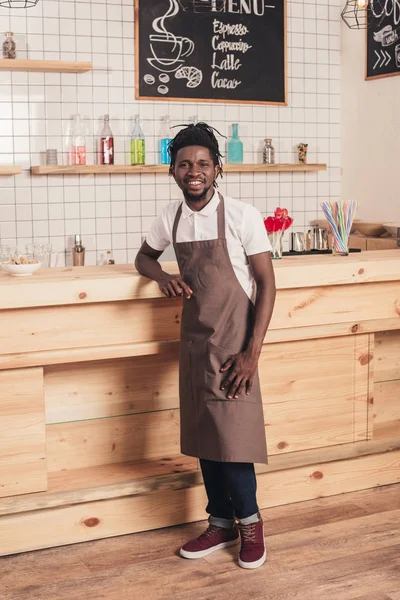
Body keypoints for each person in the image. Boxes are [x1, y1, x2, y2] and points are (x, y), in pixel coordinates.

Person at [135, 122, 276, 570]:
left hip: (236, 345)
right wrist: (163, 277)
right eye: (184, 164)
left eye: (202, 163)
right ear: (172, 170)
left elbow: (268, 285)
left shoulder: (241, 215)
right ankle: (220, 523)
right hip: (196, 344)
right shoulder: (170, 218)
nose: (193, 171)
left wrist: (252, 353)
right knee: (205, 438)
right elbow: (144, 258)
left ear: (217, 168)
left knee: (233, 440)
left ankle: (251, 527)